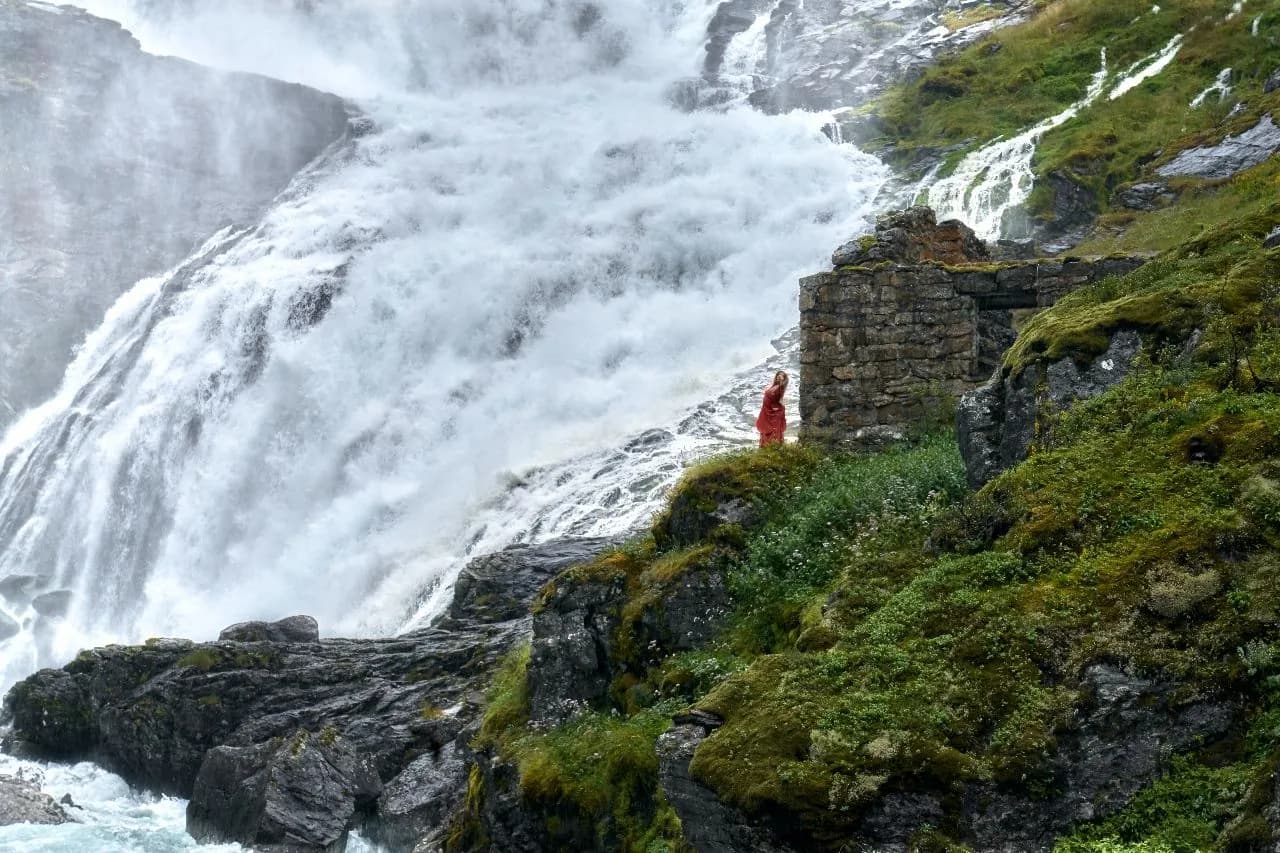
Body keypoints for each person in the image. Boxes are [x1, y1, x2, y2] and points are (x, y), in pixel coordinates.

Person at [756, 370, 788, 447]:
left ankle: (773, 449)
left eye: (781, 375)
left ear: (784, 378)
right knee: (765, 428)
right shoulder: (774, 386)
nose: (779, 376)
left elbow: (778, 401)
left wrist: (775, 408)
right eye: (778, 375)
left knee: (772, 430)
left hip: (772, 413)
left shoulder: (780, 388)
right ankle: (766, 449)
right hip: (766, 411)